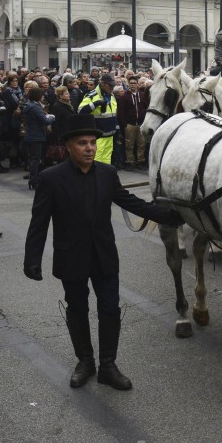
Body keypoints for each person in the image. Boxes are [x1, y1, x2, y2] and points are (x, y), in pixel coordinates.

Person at [23, 114, 183, 390]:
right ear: (69, 147)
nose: (89, 148)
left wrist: (170, 215)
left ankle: (108, 365)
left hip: (104, 256)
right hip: (71, 257)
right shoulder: (51, 178)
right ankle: (85, 361)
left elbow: (131, 202)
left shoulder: (107, 174)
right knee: (77, 309)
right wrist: (32, 259)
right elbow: (39, 223)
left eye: (93, 143)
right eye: (82, 143)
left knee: (109, 309)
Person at [78, 72, 119, 166]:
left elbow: (114, 115)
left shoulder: (112, 96)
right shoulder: (91, 96)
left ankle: (104, 179)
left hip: (110, 135)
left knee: (106, 161)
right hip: (97, 137)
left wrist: (117, 131)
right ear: (103, 83)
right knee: (96, 160)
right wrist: (96, 104)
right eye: (110, 85)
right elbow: (80, 112)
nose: (112, 88)